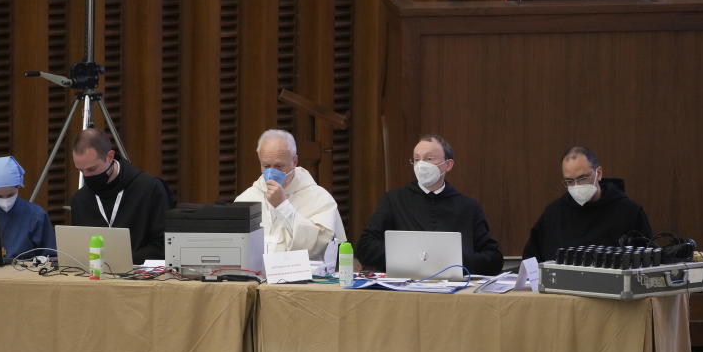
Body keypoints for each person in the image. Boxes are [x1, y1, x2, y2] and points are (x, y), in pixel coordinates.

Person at [357, 134, 503, 275]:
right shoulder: (394, 200)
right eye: (416, 159)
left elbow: (493, 259)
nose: (421, 165)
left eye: (429, 158)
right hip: (406, 287)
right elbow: (364, 247)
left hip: (455, 291)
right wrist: (407, 255)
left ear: (448, 164)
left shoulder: (469, 207)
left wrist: (455, 260)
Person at [522, 146, 652, 262]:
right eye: (569, 181)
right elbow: (531, 260)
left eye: (582, 178)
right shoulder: (553, 213)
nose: (576, 186)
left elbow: (647, 259)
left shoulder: (628, 211)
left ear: (599, 173)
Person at [234, 129, 346, 260]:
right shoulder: (246, 199)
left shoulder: (319, 198)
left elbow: (318, 246)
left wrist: (283, 206)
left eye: (279, 166)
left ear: (295, 161)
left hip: (304, 279)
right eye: (266, 166)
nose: (271, 172)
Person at [69, 128, 171, 263]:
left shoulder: (150, 188)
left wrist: (123, 260)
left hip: (141, 277)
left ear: (110, 156)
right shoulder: (80, 200)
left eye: (92, 169)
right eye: (81, 170)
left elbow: (164, 245)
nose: (86, 176)